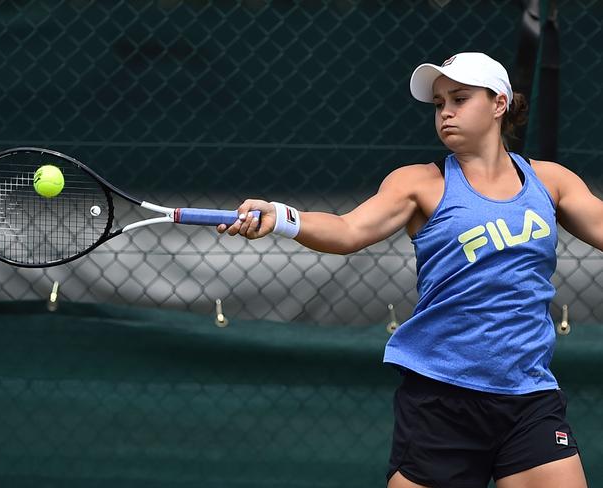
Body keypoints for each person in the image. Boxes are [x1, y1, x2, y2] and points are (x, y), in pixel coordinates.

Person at [217, 52, 594, 487]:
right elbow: (347, 230)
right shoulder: (419, 183)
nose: (446, 111)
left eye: (460, 98)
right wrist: (282, 218)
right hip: (442, 397)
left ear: (499, 103)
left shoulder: (551, 182)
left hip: (530, 396)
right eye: (438, 103)